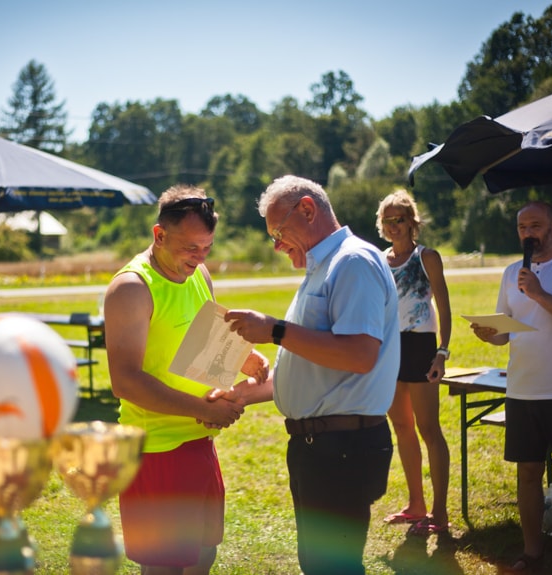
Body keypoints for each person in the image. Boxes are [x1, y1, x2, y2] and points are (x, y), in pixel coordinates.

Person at [222, 175, 399, 575]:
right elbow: (313, 363)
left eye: (279, 231)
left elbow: (359, 354)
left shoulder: (352, 262)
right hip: (321, 445)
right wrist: (243, 395)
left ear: (307, 209)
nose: (276, 244)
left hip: (342, 447)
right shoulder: (323, 268)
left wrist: (275, 330)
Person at [103, 184, 270, 575]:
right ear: (159, 235)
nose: (199, 258)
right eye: (191, 248)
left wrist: (241, 356)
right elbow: (125, 381)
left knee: (203, 555)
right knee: (164, 567)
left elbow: (202, 341)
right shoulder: (131, 287)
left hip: (198, 440)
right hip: (155, 450)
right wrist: (200, 409)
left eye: (207, 248)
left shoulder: (199, 274)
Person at [470, 201, 552, 575]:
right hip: (522, 390)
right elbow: (505, 334)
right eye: (522, 227)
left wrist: (541, 294)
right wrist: (489, 333)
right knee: (527, 473)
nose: (528, 233)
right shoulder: (513, 272)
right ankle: (532, 553)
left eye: (535, 225)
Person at [376, 189, 452, 536]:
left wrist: (443, 352)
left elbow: (445, 308)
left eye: (400, 219)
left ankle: (439, 511)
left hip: (423, 347)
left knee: (429, 430)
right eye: (388, 220)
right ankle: (415, 505)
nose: (394, 226)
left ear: (412, 221)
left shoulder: (427, 257)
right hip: (390, 349)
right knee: (402, 429)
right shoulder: (378, 260)